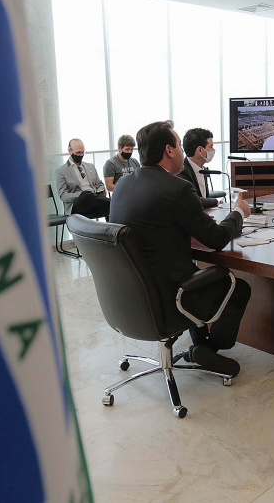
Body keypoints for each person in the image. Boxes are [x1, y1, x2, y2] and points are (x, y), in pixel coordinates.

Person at [110, 121, 252, 376]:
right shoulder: (176, 188)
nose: (182, 152)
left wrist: (188, 225)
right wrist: (239, 212)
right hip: (167, 299)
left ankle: (200, 348)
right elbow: (217, 239)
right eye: (178, 145)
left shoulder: (123, 185)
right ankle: (211, 348)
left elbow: (152, 228)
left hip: (127, 299)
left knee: (193, 275)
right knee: (237, 286)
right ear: (169, 150)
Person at [55, 138, 110, 220]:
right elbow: (63, 196)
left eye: (82, 152)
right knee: (86, 195)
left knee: (108, 207)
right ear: (70, 151)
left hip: (94, 199)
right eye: (78, 152)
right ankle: (114, 203)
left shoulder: (90, 166)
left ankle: (113, 230)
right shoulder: (61, 171)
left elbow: (99, 184)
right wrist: (81, 194)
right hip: (77, 203)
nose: (80, 155)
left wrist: (101, 190)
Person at [176, 127, 220, 209]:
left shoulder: (203, 169)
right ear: (200, 150)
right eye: (210, 147)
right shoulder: (181, 171)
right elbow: (193, 200)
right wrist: (216, 201)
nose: (213, 150)